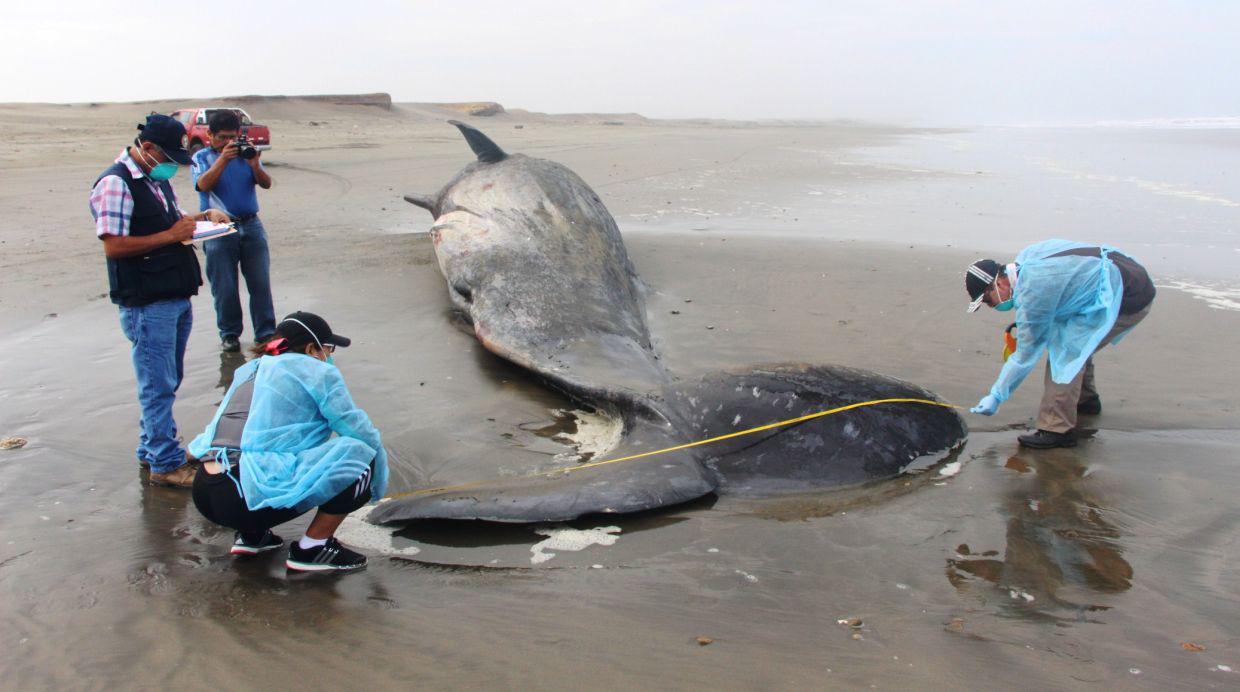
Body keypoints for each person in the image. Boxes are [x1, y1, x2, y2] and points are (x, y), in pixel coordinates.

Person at [90, 114, 231, 487]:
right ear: (147, 149)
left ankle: (155, 447)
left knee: (167, 379)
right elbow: (115, 246)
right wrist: (172, 235)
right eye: (168, 157)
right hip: (147, 301)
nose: (172, 166)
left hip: (171, 294)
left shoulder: (154, 181)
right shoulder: (115, 185)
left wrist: (202, 217)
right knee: (157, 383)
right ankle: (165, 464)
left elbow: (172, 224)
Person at [188, 312, 389, 572]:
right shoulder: (316, 371)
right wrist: (376, 483)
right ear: (310, 349)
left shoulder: (251, 369)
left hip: (205, 490)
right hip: (241, 498)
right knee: (363, 453)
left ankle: (252, 536)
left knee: (260, 452)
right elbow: (358, 430)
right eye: (328, 349)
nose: (329, 356)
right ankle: (313, 548)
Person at [964, 239, 1156, 449]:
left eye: (988, 300)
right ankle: (1086, 401)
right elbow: (1061, 289)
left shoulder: (1034, 292)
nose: (991, 306)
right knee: (1074, 338)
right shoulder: (1028, 258)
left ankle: (1056, 429)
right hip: (1123, 270)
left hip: (1127, 295)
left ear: (999, 284)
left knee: (1064, 356)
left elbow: (1024, 356)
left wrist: (996, 395)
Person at [190, 109, 276, 353]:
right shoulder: (202, 158)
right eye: (222, 138)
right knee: (224, 285)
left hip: (251, 223)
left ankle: (266, 332)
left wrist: (254, 163)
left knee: (260, 282)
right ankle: (229, 334)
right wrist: (223, 159)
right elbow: (203, 185)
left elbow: (266, 183)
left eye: (232, 137)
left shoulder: (245, 155)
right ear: (210, 134)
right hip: (218, 228)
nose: (228, 142)